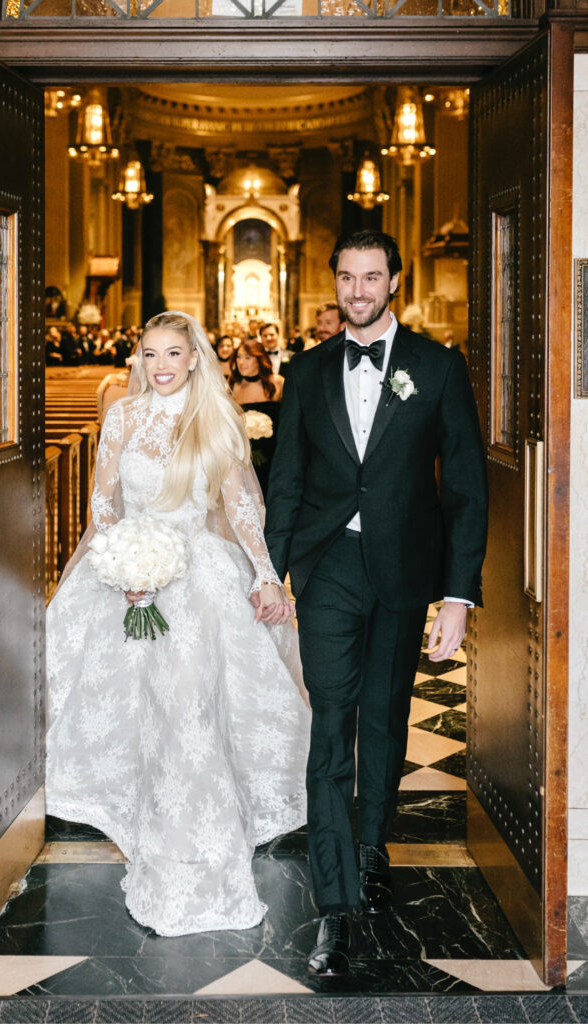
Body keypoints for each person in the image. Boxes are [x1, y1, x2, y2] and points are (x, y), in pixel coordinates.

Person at [264, 230, 488, 977]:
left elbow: (464, 485)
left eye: (371, 277)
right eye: (346, 277)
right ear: (333, 282)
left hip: (403, 570)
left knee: (386, 719)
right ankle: (335, 904)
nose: (357, 290)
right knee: (332, 722)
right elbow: (286, 480)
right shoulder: (307, 370)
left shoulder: (437, 366)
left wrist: (457, 595)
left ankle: (369, 846)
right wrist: (270, 571)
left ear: (394, 281)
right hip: (326, 568)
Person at [46, 311, 310, 937]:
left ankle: (194, 842)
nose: (160, 365)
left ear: (194, 358)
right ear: (138, 360)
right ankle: (142, 815)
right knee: (135, 704)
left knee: (190, 706)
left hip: (201, 577)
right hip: (130, 574)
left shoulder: (215, 417)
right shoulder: (121, 417)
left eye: (172, 353)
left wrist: (264, 574)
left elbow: (241, 506)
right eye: (150, 354)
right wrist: (118, 563)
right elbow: (104, 502)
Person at [230, 339, 284, 493]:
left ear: (259, 359)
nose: (241, 362)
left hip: (274, 457)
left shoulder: (277, 383)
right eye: (239, 357)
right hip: (244, 459)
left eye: (247, 357)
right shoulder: (233, 386)